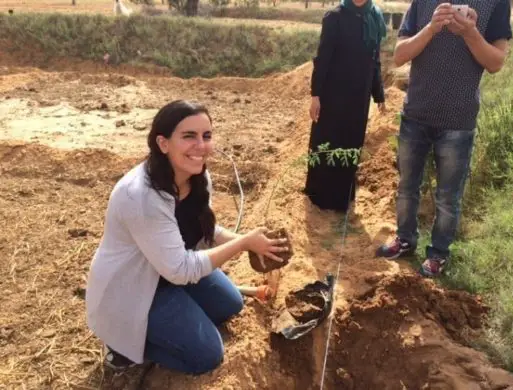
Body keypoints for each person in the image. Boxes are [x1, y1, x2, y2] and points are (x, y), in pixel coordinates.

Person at [85, 100, 289, 377]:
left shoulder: (197, 177)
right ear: (163, 143)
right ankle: (124, 346)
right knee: (207, 355)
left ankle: (173, 318)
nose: (201, 145)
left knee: (230, 304)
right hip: (134, 289)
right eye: (189, 136)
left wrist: (251, 242)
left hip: (168, 269)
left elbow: (206, 230)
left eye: (206, 136)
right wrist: (242, 244)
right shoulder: (142, 197)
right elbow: (182, 270)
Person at [376, 1, 512, 277]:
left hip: (458, 121)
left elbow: (496, 63)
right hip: (415, 114)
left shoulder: (495, 3)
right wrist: (431, 27)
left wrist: (470, 33)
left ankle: (438, 254)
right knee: (406, 187)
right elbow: (400, 55)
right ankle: (405, 240)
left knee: (448, 197)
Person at [304, 0, 387, 212]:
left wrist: (379, 94)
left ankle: (342, 198)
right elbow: (322, 59)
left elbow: (375, 60)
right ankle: (318, 197)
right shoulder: (335, 17)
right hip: (333, 96)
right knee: (327, 142)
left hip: (359, 97)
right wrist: (316, 95)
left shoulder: (375, 17)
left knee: (351, 143)